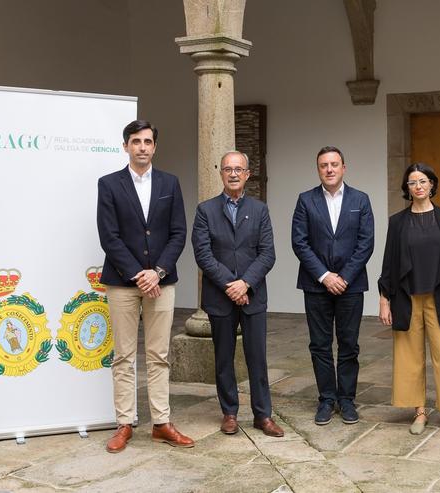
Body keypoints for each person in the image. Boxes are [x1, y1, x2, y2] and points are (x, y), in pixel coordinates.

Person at [97, 119, 193, 453]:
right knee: (123, 355)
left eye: (148, 141)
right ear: (125, 146)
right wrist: (140, 273)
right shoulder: (109, 184)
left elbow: (179, 232)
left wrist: (159, 271)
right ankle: (124, 424)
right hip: (122, 283)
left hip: (162, 282)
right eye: (136, 141)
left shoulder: (170, 182)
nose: (142, 147)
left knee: (159, 355)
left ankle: (161, 423)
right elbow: (109, 236)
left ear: (155, 146)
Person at [191, 151, 283, 438]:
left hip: (253, 296)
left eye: (239, 169)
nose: (233, 174)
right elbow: (203, 254)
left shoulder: (260, 210)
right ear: (221, 173)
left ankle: (262, 415)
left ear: (247, 174)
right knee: (223, 358)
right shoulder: (205, 210)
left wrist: (246, 284)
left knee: (257, 358)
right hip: (220, 297)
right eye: (228, 169)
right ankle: (229, 413)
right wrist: (232, 285)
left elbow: (268, 253)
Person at [377, 162, 440, 436]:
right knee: (409, 357)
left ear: (432, 184)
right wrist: (385, 301)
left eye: (422, 181)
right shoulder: (397, 222)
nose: (417, 187)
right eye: (412, 183)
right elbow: (389, 264)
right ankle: (419, 411)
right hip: (406, 297)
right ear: (406, 188)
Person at [291, 146, 374, 425]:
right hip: (316, 286)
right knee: (320, 345)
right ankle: (327, 399)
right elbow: (299, 243)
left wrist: (344, 277)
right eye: (324, 165)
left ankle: (347, 400)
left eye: (334, 164)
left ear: (343, 168)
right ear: (318, 169)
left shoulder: (360, 200)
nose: (329, 169)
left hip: (351, 286)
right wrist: (325, 276)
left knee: (349, 345)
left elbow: (366, 243)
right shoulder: (305, 200)